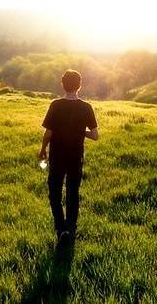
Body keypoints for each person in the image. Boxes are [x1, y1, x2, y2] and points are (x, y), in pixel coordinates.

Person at [38, 69, 99, 246]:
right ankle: (70, 229)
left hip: (57, 156)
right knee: (73, 193)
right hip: (76, 157)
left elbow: (49, 133)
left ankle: (61, 228)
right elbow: (95, 135)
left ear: (62, 85)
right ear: (80, 85)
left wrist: (43, 150)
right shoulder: (86, 107)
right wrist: (81, 132)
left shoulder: (55, 105)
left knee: (54, 193)